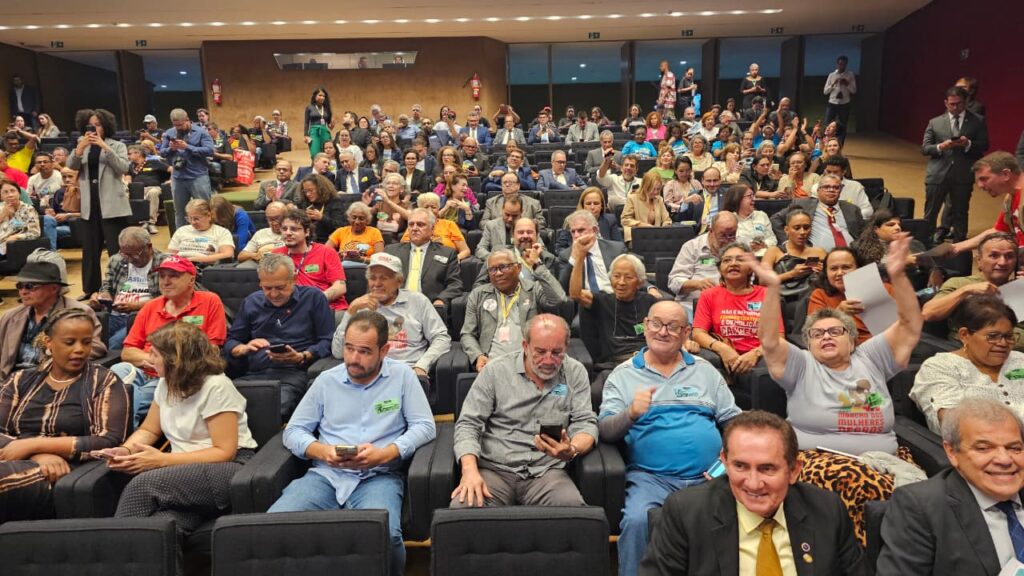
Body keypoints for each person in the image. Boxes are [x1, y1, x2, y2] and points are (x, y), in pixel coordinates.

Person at [752, 233, 924, 543]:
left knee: (924, 498)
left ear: (852, 339)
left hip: (884, 456)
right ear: (808, 343)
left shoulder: (872, 357)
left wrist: (897, 275)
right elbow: (769, 340)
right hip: (817, 460)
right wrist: (773, 288)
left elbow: (910, 324)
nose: (827, 337)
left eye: (836, 331)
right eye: (817, 334)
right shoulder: (802, 364)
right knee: (860, 482)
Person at [268, 310, 434, 576]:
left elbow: (425, 426)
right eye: (349, 348)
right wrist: (322, 451)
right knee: (272, 526)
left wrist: (386, 453)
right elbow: (294, 430)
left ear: (384, 350)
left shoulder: (402, 377)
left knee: (386, 535)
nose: (354, 359)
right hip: (326, 475)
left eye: (365, 351)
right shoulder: (326, 381)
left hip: (378, 476)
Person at [600, 298, 739, 574]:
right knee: (637, 521)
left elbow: (735, 422)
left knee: (741, 517)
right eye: (656, 324)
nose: (663, 332)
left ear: (686, 333)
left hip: (708, 477)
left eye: (673, 326)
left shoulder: (705, 371)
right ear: (645, 326)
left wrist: (727, 464)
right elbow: (605, 430)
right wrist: (631, 413)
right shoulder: (623, 375)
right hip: (651, 478)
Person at [639, 410, 864, 575]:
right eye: (740, 466)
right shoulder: (686, 513)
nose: (753, 484)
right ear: (724, 462)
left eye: (767, 469)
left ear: (794, 470)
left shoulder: (826, 510)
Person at [104, 322, 257, 540]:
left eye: (155, 354)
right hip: (182, 472)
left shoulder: (216, 386)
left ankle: (113, 551)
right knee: (160, 531)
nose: (149, 357)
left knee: (142, 486)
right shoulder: (166, 383)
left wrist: (161, 461)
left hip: (228, 468)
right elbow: (149, 429)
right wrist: (126, 450)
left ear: (174, 359)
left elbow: (224, 451)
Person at [451, 314, 596, 507]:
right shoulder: (496, 371)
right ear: (525, 346)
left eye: (557, 352)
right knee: (463, 508)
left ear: (566, 347)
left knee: (574, 512)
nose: (548, 360)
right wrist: (469, 471)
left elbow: (585, 422)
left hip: (547, 472)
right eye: (540, 352)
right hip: (495, 470)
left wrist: (572, 449)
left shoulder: (575, 372)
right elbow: (469, 424)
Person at [0, 308, 129, 523]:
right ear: (49, 343)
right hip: (21, 457)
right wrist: (36, 454)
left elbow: (108, 440)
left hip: (63, 470)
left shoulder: (104, 381)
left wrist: (34, 445)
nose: (79, 350)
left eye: (86, 342)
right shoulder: (21, 379)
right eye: (70, 342)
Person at [877, 398, 1024, 575]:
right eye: (984, 448)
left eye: (1014, 448)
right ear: (952, 452)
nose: (1004, 459)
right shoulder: (921, 508)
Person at [110, 255, 226, 425]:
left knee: (125, 399)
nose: (165, 281)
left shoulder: (210, 301)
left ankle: (116, 436)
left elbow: (213, 349)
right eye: (162, 276)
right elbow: (127, 352)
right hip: (144, 371)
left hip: (180, 377)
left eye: (173, 276)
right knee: (118, 370)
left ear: (191, 279)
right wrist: (153, 360)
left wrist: (166, 363)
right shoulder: (151, 306)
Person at [226, 253, 334, 417]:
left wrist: (303, 356)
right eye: (267, 288)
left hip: (293, 374)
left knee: (271, 411)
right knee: (226, 408)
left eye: (280, 287)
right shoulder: (252, 302)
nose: (274, 294)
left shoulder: (313, 298)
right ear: (260, 283)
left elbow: (327, 340)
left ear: (294, 279)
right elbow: (232, 340)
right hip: (253, 374)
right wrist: (242, 348)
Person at [332, 253, 451, 398]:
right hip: (366, 373)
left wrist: (422, 365)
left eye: (384, 278)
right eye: (373, 278)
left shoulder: (418, 301)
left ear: (399, 281)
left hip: (406, 372)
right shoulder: (359, 306)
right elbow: (338, 352)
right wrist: (350, 312)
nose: (377, 284)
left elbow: (441, 338)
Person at [911, 294, 1024, 435]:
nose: (1003, 343)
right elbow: (953, 424)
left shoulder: (1019, 360)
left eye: (1008, 336)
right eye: (993, 336)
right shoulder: (940, 367)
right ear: (964, 335)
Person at [462, 248, 566, 372]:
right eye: (493, 269)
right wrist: (478, 356)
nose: (498, 273)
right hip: (491, 365)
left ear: (519, 268)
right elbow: (467, 334)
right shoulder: (478, 295)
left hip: (529, 364)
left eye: (504, 267)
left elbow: (558, 299)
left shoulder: (533, 289)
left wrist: (538, 265)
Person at [0, 259, 106, 381]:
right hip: (8, 381)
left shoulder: (79, 313)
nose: (23, 292)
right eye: (19, 286)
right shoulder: (11, 316)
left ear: (54, 288)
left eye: (30, 286)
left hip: (51, 379)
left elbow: (96, 347)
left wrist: (55, 357)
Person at [67, 108, 131, 299]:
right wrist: (80, 149)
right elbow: (71, 166)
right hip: (90, 204)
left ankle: (119, 288)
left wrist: (104, 147)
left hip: (112, 204)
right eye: (90, 125)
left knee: (116, 250)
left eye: (98, 125)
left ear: (106, 126)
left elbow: (123, 167)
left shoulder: (117, 145)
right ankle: (90, 289)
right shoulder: (82, 144)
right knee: (90, 250)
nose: (94, 128)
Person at [691, 242, 781, 375]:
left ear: (750, 269)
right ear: (720, 269)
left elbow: (778, 337)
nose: (733, 264)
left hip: (759, 357)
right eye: (727, 260)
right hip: (724, 355)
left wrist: (755, 354)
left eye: (740, 260)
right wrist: (722, 348)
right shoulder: (709, 295)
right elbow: (698, 333)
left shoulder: (766, 295)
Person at [923, 232, 1022, 349]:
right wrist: (965, 291)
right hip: (972, 353)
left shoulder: (1019, 287)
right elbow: (928, 313)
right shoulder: (961, 284)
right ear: (979, 260)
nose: (1002, 262)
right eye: (994, 256)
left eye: (1009, 256)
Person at [923, 86, 990, 243]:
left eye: (959, 104)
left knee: (960, 212)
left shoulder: (978, 121)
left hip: (963, 173)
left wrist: (968, 144)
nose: (955, 107)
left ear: (966, 102)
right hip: (937, 174)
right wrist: (941, 147)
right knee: (930, 212)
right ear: (946, 103)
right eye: (951, 104)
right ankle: (926, 243)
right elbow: (925, 148)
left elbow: (984, 145)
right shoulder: (935, 122)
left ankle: (959, 246)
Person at [90, 227, 169, 349]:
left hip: (143, 317)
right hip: (113, 314)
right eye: (125, 254)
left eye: (134, 254)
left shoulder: (165, 263)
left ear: (149, 247)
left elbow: (171, 298)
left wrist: (137, 306)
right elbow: (107, 285)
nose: (130, 259)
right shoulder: (117, 259)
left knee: (113, 344)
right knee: (90, 339)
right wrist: (103, 296)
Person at [272, 207, 348, 320]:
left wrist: (313, 301)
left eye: (294, 229)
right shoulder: (276, 255)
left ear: (307, 232)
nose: (288, 233)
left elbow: (340, 287)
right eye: (284, 229)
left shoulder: (326, 252)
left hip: (327, 307)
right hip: (291, 310)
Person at [385, 208, 463, 306]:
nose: (414, 228)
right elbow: (378, 279)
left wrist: (441, 300)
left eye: (420, 224)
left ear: (432, 229)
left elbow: (455, 284)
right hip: (394, 305)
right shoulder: (391, 251)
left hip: (429, 306)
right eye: (411, 224)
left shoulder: (447, 253)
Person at [951, 152, 1024, 255]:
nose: (980, 185)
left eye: (984, 179)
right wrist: (956, 247)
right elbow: (1000, 230)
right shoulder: (1010, 197)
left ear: (1006, 174)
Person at [772, 173, 863, 251]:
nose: (831, 190)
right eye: (826, 187)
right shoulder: (804, 204)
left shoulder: (852, 209)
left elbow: (862, 234)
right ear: (818, 190)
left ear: (841, 190)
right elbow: (775, 220)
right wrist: (787, 241)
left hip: (852, 255)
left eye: (836, 187)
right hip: (816, 257)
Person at [668, 211, 738, 310]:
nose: (727, 240)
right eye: (722, 235)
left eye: (732, 235)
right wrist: (698, 284)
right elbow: (674, 282)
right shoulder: (692, 247)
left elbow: (748, 281)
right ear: (711, 231)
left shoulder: (740, 248)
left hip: (729, 306)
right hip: (693, 305)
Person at [159, 108, 215, 229]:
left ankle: (208, 233)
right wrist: (171, 149)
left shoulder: (201, 132)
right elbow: (162, 152)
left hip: (198, 176)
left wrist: (187, 147)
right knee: (179, 212)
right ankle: (182, 237)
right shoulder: (169, 133)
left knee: (204, 209)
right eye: (175, 125)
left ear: (187, 120)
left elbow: (210, 150)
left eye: (180, 125)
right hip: (178, 177)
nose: (178, 128)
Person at [761, 209, 826, 298]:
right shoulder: (774, 251)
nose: (802, 232)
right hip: (781, 299)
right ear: (786, 230)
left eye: (806, 227)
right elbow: (763, 281)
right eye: (797, 228)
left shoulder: (819, 252)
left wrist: (823, 273)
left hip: (812, 299)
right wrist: (792, 274)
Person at [399, 194, 471, 261]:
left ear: (438, 208)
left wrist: (453, 261)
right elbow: (404, 248)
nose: (430, 210)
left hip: (446, 262)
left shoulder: (449, 225)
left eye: (433, 207)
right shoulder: (414, 225)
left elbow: (465, 251)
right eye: (426, 207)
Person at [553, 188, 623, 254]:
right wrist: (573, 256)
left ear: (601, 206)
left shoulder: (610, 220)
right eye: (588, 204)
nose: (592, 207)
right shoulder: (572, 221)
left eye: (596, 203)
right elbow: (559, 247)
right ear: (583, 205)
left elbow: (619, 245)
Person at [167, 198, 234, 265]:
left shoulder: (222, 232)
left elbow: (228, 254)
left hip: (204, 266)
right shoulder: (181, 231)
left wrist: (194, 260)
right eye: (189, 218)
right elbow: (170, 255)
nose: (193, 222)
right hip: (179, 265)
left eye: (196, 219)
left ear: (209, 216)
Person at [123, 144, 169, 236]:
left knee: (153, 193)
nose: (128, 156)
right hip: (138, 190)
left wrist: (171, 180)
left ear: (138, 153)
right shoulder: (130, 167)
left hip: (153, 188)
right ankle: (140, 222)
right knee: (129, 192)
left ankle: (151, 222)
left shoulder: (154, 162)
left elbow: (172, 170)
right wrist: (126, 183)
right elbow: (128, 180)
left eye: (130, 154)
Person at [722, 183, 776, 254]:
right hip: (740, 255)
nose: (754, 199)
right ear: (738, 198)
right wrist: (747, 246)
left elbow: (772, 239)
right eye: (750, 196)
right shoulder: (727, 219)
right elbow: (725, 245)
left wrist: (764, 244)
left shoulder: (761, 215)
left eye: (753, 195)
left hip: (764, 254)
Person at [814, 154, 873, 220]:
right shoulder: (816, 187)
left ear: (843, 172)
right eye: (829, 171)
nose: (831, 175)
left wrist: (849, 216)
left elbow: (868, 211)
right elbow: (813, 210)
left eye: (835, 172)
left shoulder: (856, 187)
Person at [621, 171, 672, 245]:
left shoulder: (659, 199)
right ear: (645, 187)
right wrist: (641, 225)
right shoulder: (632, 198)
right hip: (636, 236)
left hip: (656, 237)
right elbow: (625, 219)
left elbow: (667, 220)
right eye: (653, 189)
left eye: (658, 189)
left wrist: (663, 229)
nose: (656, 192)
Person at [296, 173, 344, 244]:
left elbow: (340, 227)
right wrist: (304, 218)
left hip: (328, 241)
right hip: (307, 241)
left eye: (311, 190)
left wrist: (321, 218)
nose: (308, 194)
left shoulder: (334, 201)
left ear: (320, 188)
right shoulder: (304, 203)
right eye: (305, 191)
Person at [0, 175, 40, 253]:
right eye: (5, 192)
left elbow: (35, 232)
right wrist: (2, 215)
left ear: (19, 193)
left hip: (15, 246)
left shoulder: (28, 209)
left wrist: (16, 237)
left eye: (13, 191)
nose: (10, 195)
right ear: (1, 196)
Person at [303, 86, 333, 158]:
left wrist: (332, 125)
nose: (322, 97)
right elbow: (306, 122)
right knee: (314, 153)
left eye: (324, 96)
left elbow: (329, 125)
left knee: (326, 152)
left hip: (324, 131)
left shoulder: (327, 108)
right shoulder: (309, 107)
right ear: (315, 96)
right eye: (320, 95)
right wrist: (306, 135)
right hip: (314, 132)